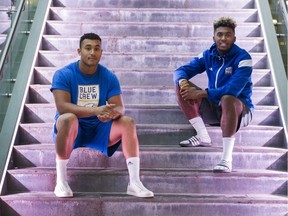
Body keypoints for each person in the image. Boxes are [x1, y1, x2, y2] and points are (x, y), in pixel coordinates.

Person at [50, 33, 154, 198]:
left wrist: (111, 114)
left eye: (97, 48)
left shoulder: (108, 76)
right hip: (73, 128)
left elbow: (120, 107)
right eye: (88, 48)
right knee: (67, 118)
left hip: (99, 127)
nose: (92, 52)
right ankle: (61, 181)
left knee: (128, 122)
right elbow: (62, 107)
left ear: (101, 52)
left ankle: (134, 183)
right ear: (79, 51)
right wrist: (96, 110)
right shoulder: (63, 74)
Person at [173, 17, 254, 173]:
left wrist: (203, 93)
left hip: (240, 112)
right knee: (180, 86)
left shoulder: (244, 58)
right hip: (215, 108)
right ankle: (203, 136)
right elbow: (180, 70)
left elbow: (232, 90)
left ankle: (226, 159)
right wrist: (183, 81)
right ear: (214, 38)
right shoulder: (208, 55)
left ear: (234, 38)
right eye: (220, 34)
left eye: (228, 34)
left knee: (227, 98)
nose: (223, 38)